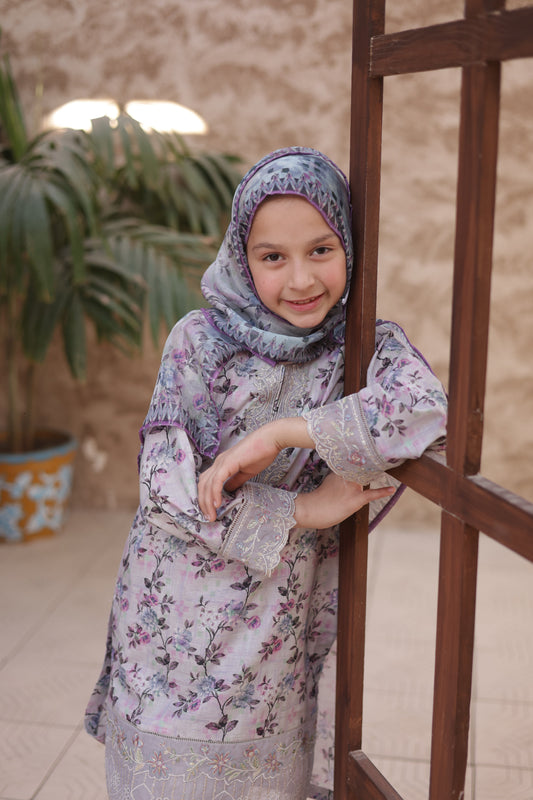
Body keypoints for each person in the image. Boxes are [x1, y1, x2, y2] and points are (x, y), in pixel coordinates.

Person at [85, 146, 447, 800]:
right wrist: (301, 510)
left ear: (350, 248)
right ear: (241, 257)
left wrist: (282, 432)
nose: (300, 280)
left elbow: (424, 412)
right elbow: (165, 489)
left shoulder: (362, 347)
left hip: (278, 623)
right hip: (172, 617)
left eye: (321, 250)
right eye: (272, 257)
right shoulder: (200, 341)